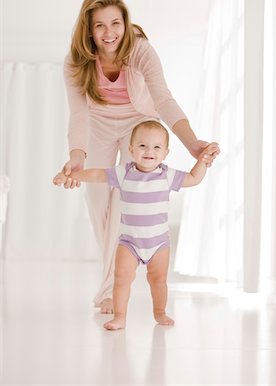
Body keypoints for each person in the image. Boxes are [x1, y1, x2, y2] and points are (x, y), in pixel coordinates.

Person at [59, 0, 219, 314]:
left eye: (115, 23)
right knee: (98, 203)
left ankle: (108, 291)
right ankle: (111, 279)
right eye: (100, 26)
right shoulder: (76, 61)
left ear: (125, 22)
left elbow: (163, 99)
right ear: (88, 30)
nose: (109, 33)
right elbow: (79, 115)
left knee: (124, 201)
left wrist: (191, 143)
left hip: (138, 121)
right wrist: (77, 157)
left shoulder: (140, 50)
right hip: (99, 125)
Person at [53, 121, 219, 330]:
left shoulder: (167, 175)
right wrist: (72, 175)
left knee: (158, 280)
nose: (149, 151)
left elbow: (194, 178)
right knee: (121, 277)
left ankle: (160, 312)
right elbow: (97, 174)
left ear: (166, 153)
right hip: (129, 242)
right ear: (131, 150)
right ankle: (120, 316)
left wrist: (203, 159)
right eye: (142, 146)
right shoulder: (124, 172)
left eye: (156, 147)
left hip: (158, 243)